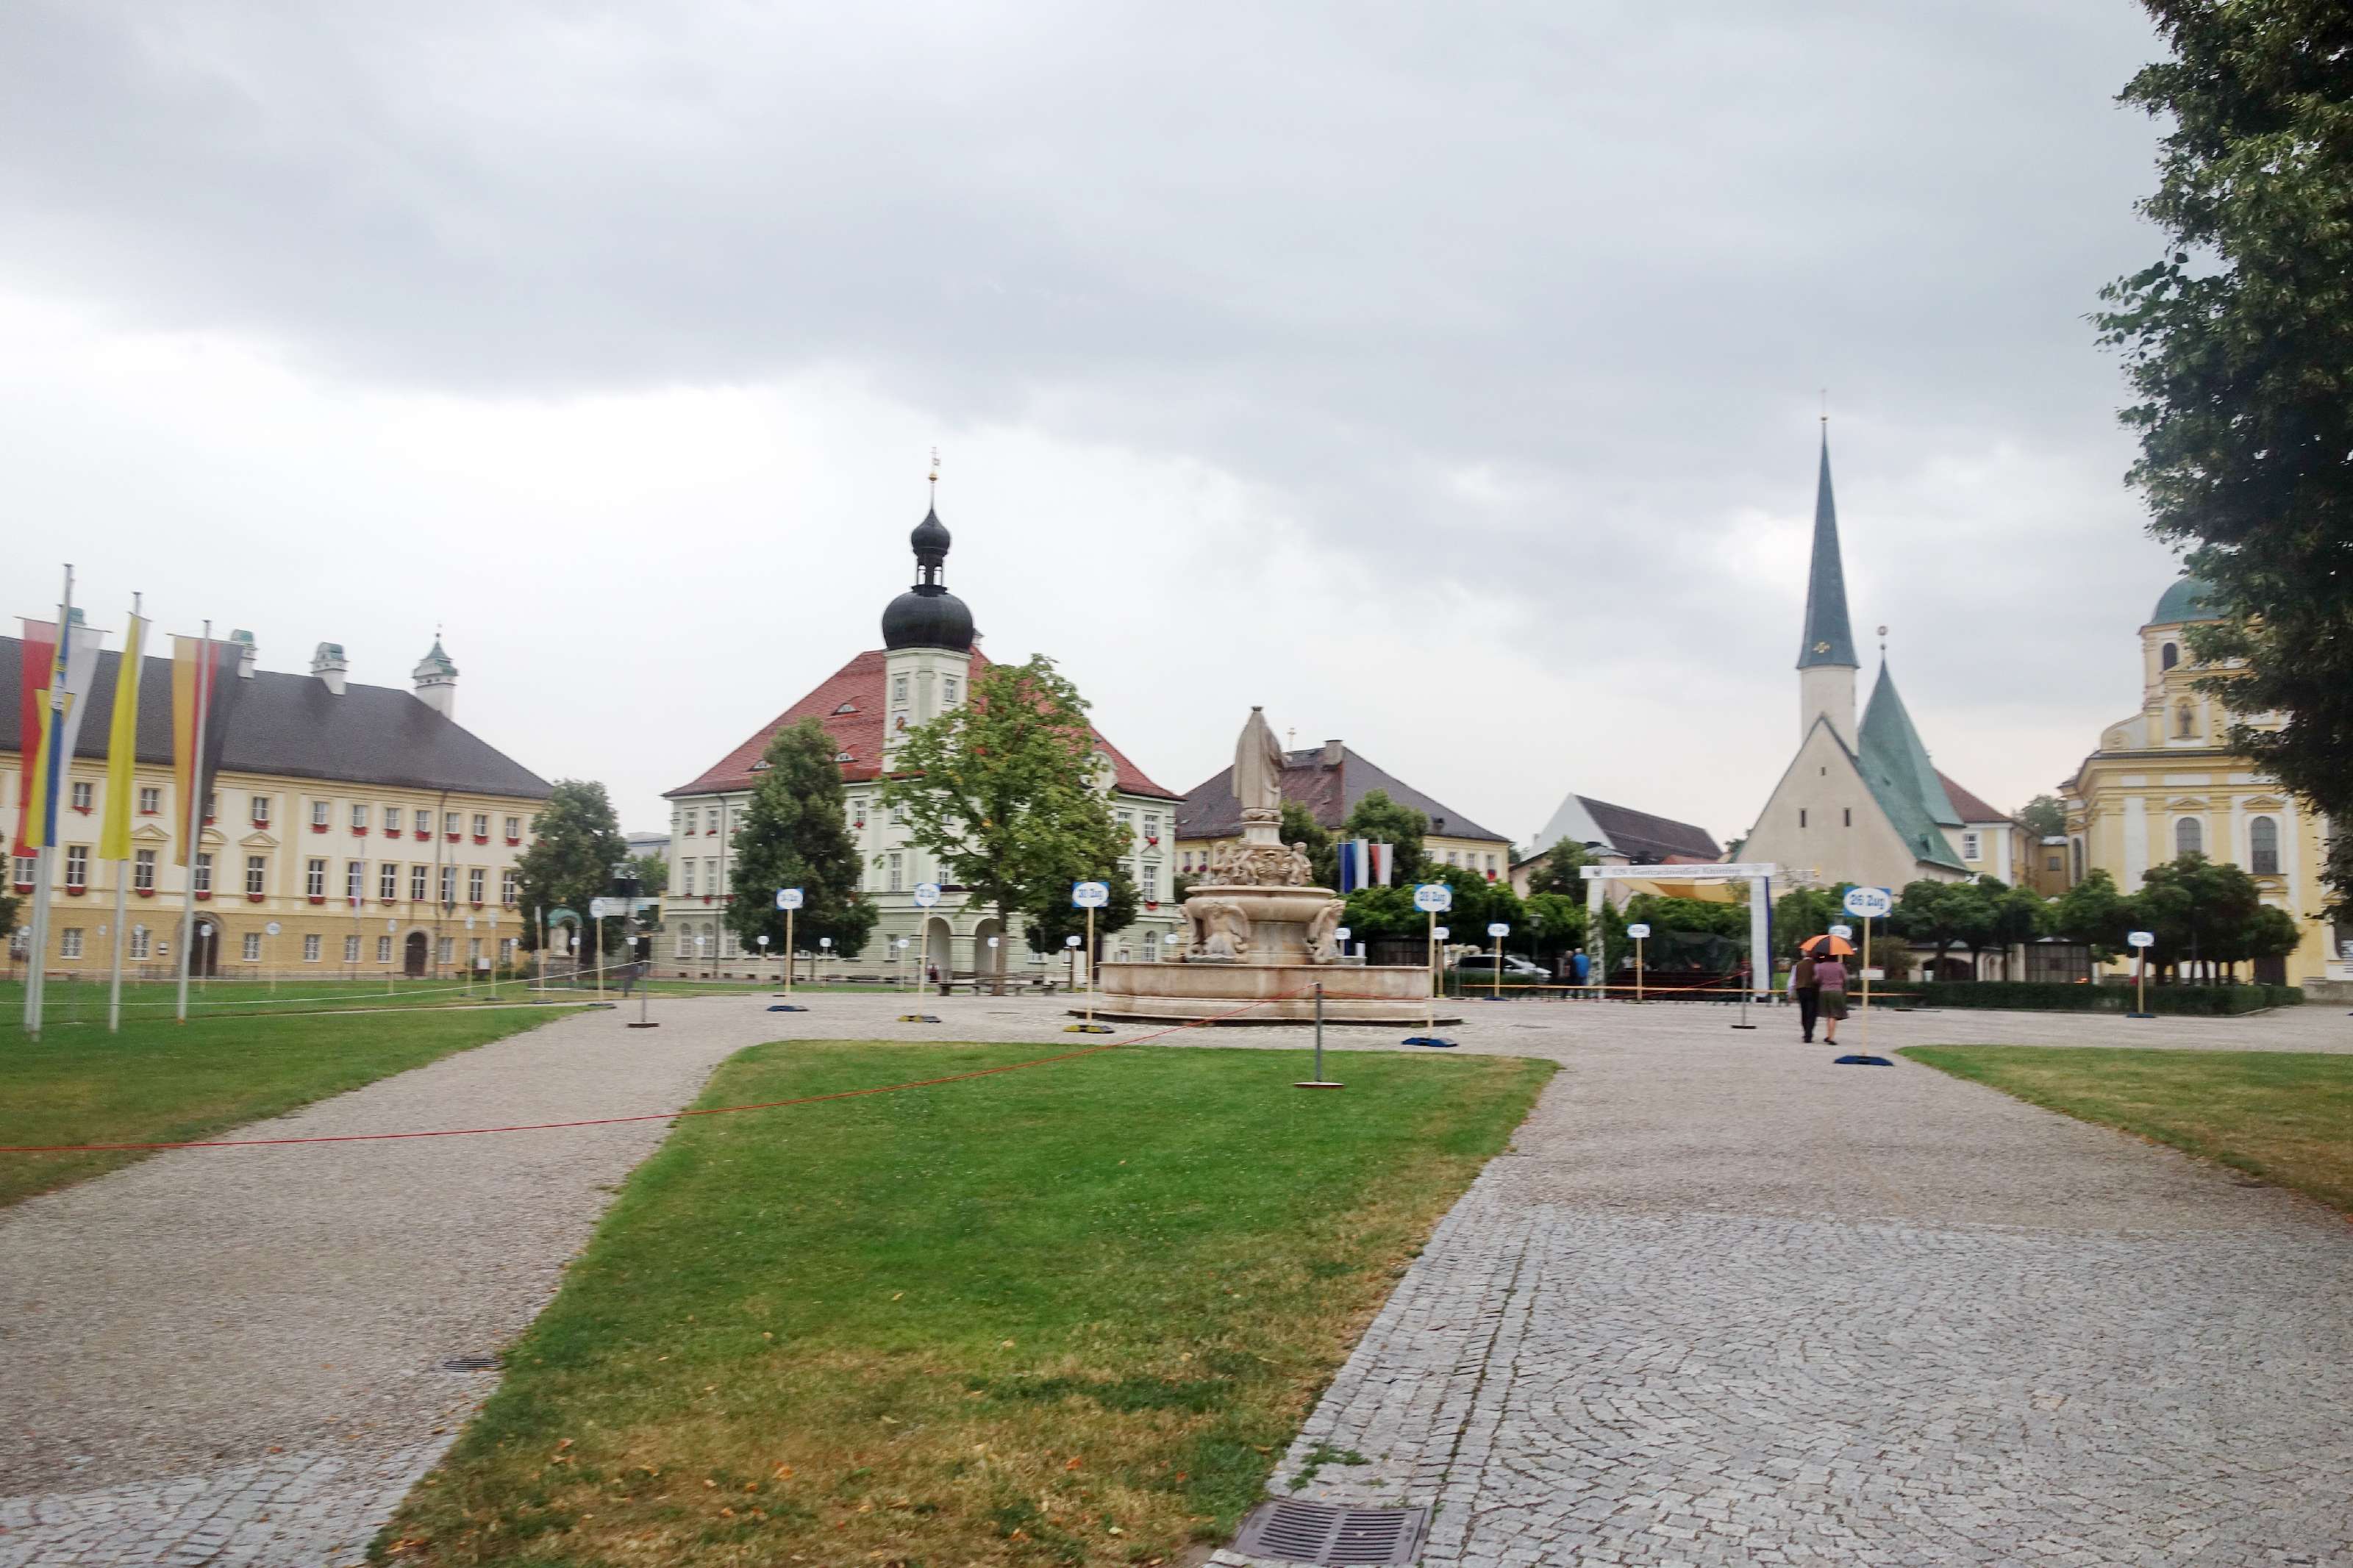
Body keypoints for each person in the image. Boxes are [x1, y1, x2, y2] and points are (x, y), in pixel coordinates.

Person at [1815, 951, 1849, 1044]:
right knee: (1834, 1015)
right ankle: (1831, 1038)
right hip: (1836, 991)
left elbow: (1817, 979)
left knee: (1829, 1014)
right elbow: (1845, 979)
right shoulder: (1840, 966)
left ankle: (1828, 1035)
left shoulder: (1821, 966)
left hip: (1824, 991)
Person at [1788, 953, 1820, 1042]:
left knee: (1804, 1011)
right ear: (1813, 956)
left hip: (1801, 990)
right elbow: (1818, 978)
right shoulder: (1816, 965)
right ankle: (1808, 1034)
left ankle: (1806, 1031)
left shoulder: (1797, 965)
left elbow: (1792, 980)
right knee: (1812, 1013)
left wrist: (1790, 993)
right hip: (1812, 990)